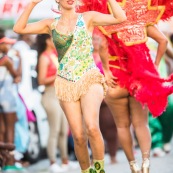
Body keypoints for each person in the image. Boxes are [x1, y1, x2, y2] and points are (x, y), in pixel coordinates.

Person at [13, 0, 126, 172]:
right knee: (79, 136)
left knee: (92, 127)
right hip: (66, 82)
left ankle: (99, 169)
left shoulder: (88, 17)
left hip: (89, 77)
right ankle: (86, 170)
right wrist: (33, 4)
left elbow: (120, 17)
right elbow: (18, 29)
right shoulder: (50, 24)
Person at [94, 1, 173, 173]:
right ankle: (145, 162)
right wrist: (155, 64)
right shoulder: (141, 18)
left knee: (122, 126)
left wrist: (106, 71)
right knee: (141, 124)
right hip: (138, 80)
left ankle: (133, 165)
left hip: (115, 80)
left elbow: (101, 45)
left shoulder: (109, 18)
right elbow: (163, 41)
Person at [36, 34, 78, 173]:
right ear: (47, 41)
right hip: (50, 95)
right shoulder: (44, 57)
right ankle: (53, 162)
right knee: (54, 130)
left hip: (60, 94)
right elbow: (41, 80)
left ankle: (65, 161)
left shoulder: (54, 55)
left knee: (63, 130)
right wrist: (60, 74)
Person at [92, 32, 119, 164]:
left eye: (98, 39)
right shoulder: (87, 58)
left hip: (106, 96)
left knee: (110, 125)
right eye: (93, 39)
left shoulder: (107, 57)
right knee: (92, 127)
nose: (95, 42)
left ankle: (113, 155)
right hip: (91, 96)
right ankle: (96, 157)